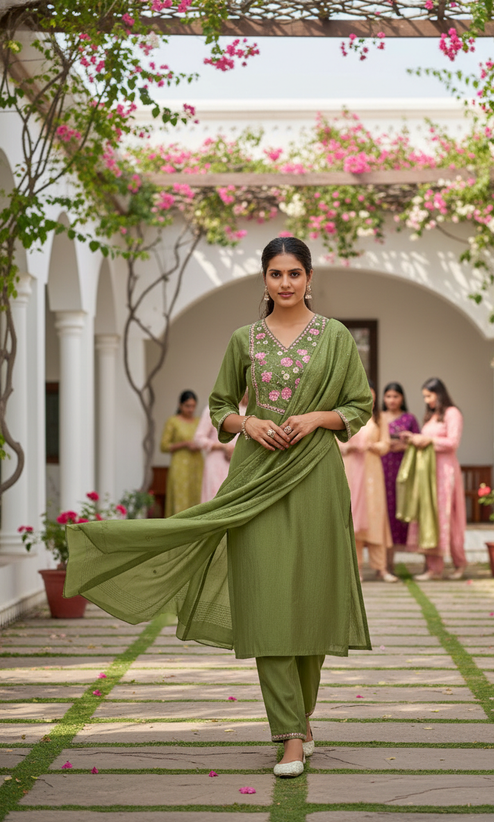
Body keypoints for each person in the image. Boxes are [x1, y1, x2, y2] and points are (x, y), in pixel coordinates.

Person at [64, 236, 372, 780]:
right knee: (267, 603)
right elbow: (221, 406)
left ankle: (301, 716)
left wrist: (318, 419)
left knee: (312, 604)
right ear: (263, 279)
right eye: (275, 274)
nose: (285, 283)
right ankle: (291, 737)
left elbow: (359, 405)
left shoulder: (338, 337)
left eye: (294, 273)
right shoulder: (243, 340)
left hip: (316, 480)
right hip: (254, 478)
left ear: (309, 277)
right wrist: (248, 423)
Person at [401, 377, 467, 581]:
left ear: (439, 394)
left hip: (445, 471)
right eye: (425, 397)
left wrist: (426, 440)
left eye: (429, 396)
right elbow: (428, 441)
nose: (427, 400)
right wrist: (413, 439)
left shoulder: (452, 413)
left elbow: (452, 443)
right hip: (428, 471)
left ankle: (459, 563)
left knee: (447, 514)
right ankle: (433, 567)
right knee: (429, 514)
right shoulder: (432, 416)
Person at [340, 383, 398, 583]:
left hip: (372, 471)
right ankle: (357, 570)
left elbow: (386, 444)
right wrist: (349, 447)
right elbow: (337, 441)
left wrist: (373, 446)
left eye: (372, 397)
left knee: (375, 516)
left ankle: (381, 568)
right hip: (351, 470)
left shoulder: (379, 418)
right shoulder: (347, 416)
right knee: (353, 516)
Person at [380, 382, 420, 571]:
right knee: (384, 512)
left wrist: (404, 445)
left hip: (402, 470)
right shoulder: (378, 418)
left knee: (399, 509)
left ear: (402, 398)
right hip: (381, 469)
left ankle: (394, 561)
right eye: (388, 396)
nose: (392, 400)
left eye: (395, 396)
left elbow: (419, 442)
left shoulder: (410, 419)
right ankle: (384, 563)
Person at [193, 393, 248, 503]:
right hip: (217, 463)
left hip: (240, 463)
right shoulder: (214, 409)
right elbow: (198, 438)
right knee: (215, 500)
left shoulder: (249, 412)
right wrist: (223, 446)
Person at [159, 390, 204, 516]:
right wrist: (184, 444)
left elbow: (206, 439)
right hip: (180, 465)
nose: (190, 409)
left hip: (197, 464)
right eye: (187, 406)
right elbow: (163, 446)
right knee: (180, 496)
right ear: (180, 405)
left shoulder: (198, 421)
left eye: (193, 406)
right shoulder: (173, 421)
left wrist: (200, 445)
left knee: (196, 494)